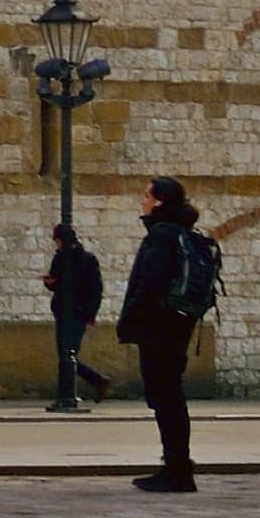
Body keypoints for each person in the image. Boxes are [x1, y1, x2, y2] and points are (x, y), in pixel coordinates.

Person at [113, 173, 201, 492]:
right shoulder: (180, 233)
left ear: (160, 202)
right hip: (176, 328)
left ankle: (177, 469)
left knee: (166, 398)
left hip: (159, 330)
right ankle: (177, 466)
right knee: (169, 396)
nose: (143, 201)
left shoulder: (162, 236)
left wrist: (130, 322)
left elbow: (148, 284)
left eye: (147, 196)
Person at [46, 223, 109, 406]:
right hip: (69, 312)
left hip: (76, 313)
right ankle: (94, 382)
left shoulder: (82, 259)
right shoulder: (64, 258)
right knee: (67, 354)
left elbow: (94, 288)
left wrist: (90, 314)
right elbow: (58, 283)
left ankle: (86, 386)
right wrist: (51, 283)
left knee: (67, 354)